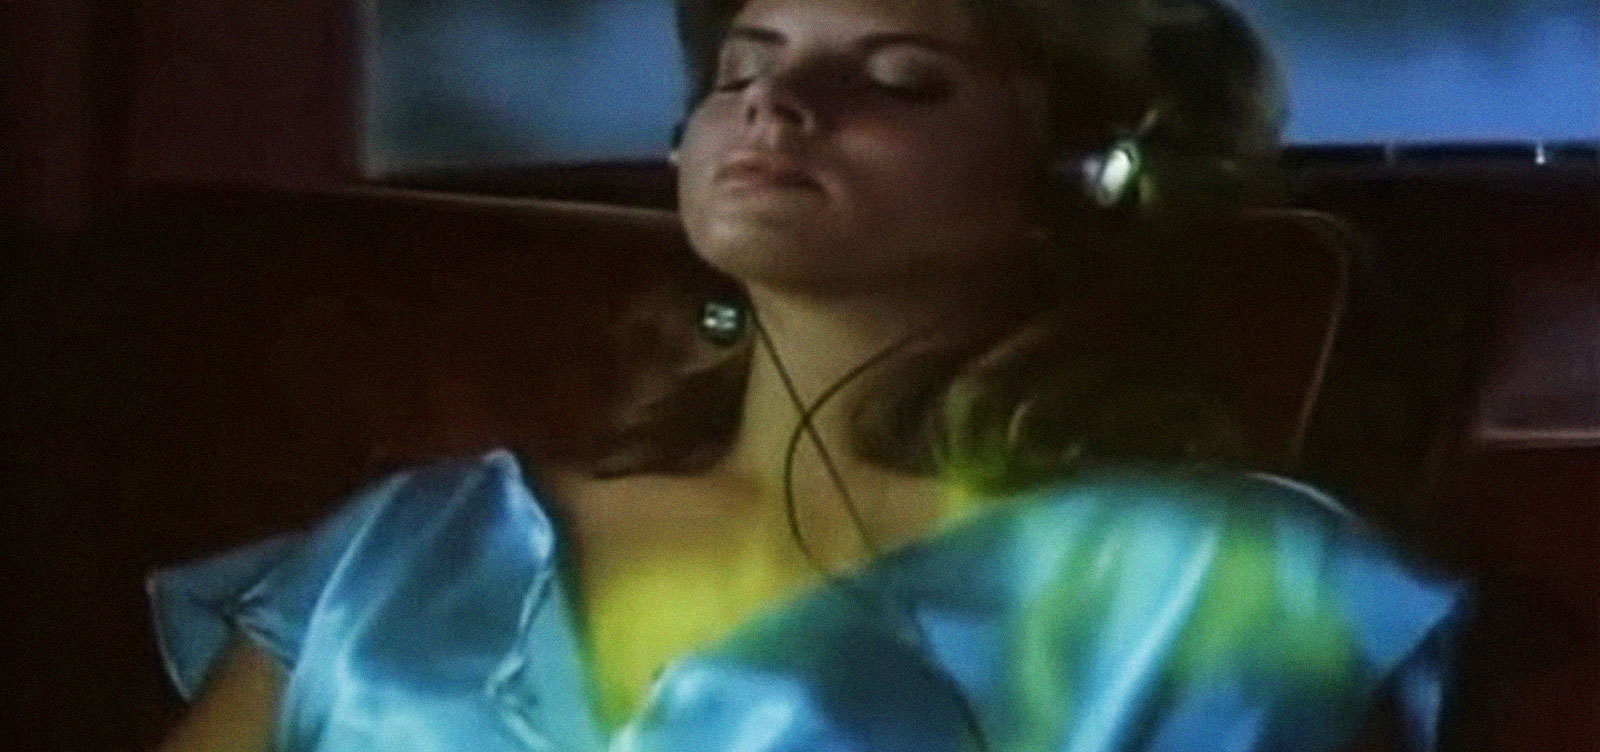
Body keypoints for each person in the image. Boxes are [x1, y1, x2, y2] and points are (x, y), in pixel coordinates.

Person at [150, 0, 1466, 750]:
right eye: (745, 67)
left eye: (899, 80)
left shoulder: (1196, 576)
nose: (780, 107)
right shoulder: (410, 546)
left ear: (1072, 182)